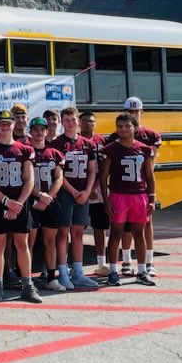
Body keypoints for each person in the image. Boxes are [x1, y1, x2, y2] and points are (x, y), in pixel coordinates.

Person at [0, 111, 42, 303]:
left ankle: (27, 285)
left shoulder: (24, 150)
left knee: (22, 244)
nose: (5, 127)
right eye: (2, 124)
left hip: (20, 202)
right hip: (0, 202)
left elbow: (29, 179)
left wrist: (19, 204)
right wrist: (6, 202)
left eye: (8, 123)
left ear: (14, 125)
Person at [106, 97, 162, 277]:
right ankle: (126, 260)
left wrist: (151, 195)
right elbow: (104, 174)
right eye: (129, 111)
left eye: (135, 111)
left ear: (141, 112)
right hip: (121, 191)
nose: (132, 114)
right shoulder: (115, 140)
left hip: (140, 188)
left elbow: (150, 166)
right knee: (122, 229)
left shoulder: (149, 137)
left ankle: (148, 263)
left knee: (145, 225)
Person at [49, 107, 101, 289]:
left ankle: (78, 271)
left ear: (78, 121)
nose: (70, 122)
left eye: (73, 119)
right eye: (67, 119)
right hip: (65, 193)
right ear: (62, 122)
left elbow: (93, 170)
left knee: (78, 232)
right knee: (63, 232)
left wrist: (87, 191)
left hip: (83, 193)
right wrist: (72, 191)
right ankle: (63, 272)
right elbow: (58, 173)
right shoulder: (57, 144)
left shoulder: (88, 144)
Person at [26, 118, 66, 291]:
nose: (39, 132)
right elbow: (24, 179)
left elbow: (59, 178)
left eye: (42, 129)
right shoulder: (25, 152)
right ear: (30, 131)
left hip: (49, 201)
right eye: (35, 129)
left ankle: (51, 278)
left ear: (47, 131)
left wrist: (48, 196)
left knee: (50, 241)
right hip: (31, 201)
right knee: (29, 242)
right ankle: (26, 279)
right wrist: (39, 195)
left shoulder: (54, 153)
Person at [79, 111, 111, 275]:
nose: (87, 124)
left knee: (100, 227)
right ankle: (76, 265)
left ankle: (101, 263)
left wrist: (93, 187)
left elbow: (105, 168)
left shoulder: (103, 141)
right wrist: (86, 189)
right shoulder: (75, 141)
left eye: (91, 121)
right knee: (76, 228)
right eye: (84, 121)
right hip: (79, 191)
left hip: (99, 192)